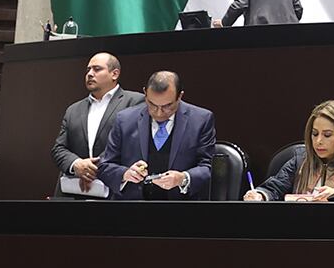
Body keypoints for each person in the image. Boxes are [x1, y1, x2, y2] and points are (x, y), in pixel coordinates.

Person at [94, 70, 217, 199]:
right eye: (152, 104)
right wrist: (125, 174)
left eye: (167, 106)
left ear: (180, 96)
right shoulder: (124, 120)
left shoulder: (201, 120)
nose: (159, 113)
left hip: (181, 207)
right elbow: (104, 166)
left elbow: (208, 167)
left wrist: (183, 178)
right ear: (145, 93)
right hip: (133, 208)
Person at [247, 99, 334, 201]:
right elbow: (273, 188)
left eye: (327, 135)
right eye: (314, 134)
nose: (318, 141)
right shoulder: (300, 160)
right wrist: (259, 195)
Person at [51, 52, 143, 195]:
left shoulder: (135, 102)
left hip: (114, 191)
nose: (90, 74)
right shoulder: (73, 109)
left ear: (115, 74)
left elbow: (132, 145)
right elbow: (59, 148)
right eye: (88, 70)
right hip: (74, 191)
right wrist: (77, 165)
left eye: (97, 69)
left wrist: (92, 168)